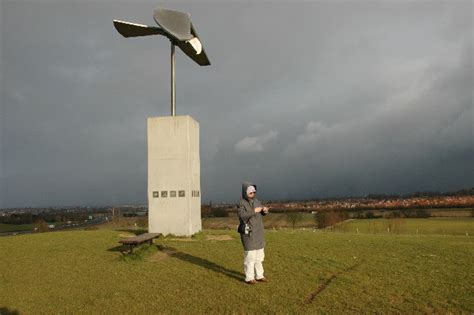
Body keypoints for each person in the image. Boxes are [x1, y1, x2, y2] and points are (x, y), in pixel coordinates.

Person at [237, 182, 269, 284]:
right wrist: (254, 210)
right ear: (245, 192)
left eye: (254, 192)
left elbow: (261, 213)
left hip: (259, 233)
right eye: (250, 192)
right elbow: (242, 216)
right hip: (248, 233)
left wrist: (264, 211)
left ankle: (259, 276)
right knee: (250, 257)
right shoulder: (241, 203)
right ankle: (249, 278)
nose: (252, 194)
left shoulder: (257, 201)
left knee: (259, 257)